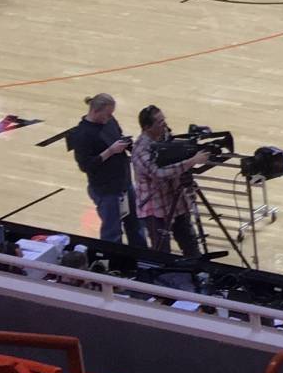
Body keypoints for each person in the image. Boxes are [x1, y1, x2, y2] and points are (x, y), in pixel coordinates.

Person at [130, 105, 212, 260]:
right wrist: (191, 161)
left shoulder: (166, 136)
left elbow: (175, 156)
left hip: (176, 201)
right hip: (155, 207)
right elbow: (159, 174)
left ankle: (198, 273)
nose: (164, 125)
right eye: (160, 122)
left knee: (190, 245)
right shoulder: (141, 150)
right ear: (147, 127)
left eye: (164, 120)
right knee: (162, 252)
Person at [63, 93, 136, 246]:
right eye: (108, 114)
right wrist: (110, 151)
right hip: (106, 189)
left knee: (136, 227)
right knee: (112, 233)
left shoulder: (109, 120)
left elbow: (118, 136)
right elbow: (85, 165)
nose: (110, 117)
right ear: (96, 111)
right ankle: (114, 265)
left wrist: (128, 144)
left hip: (124, 183)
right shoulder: (82, 134)